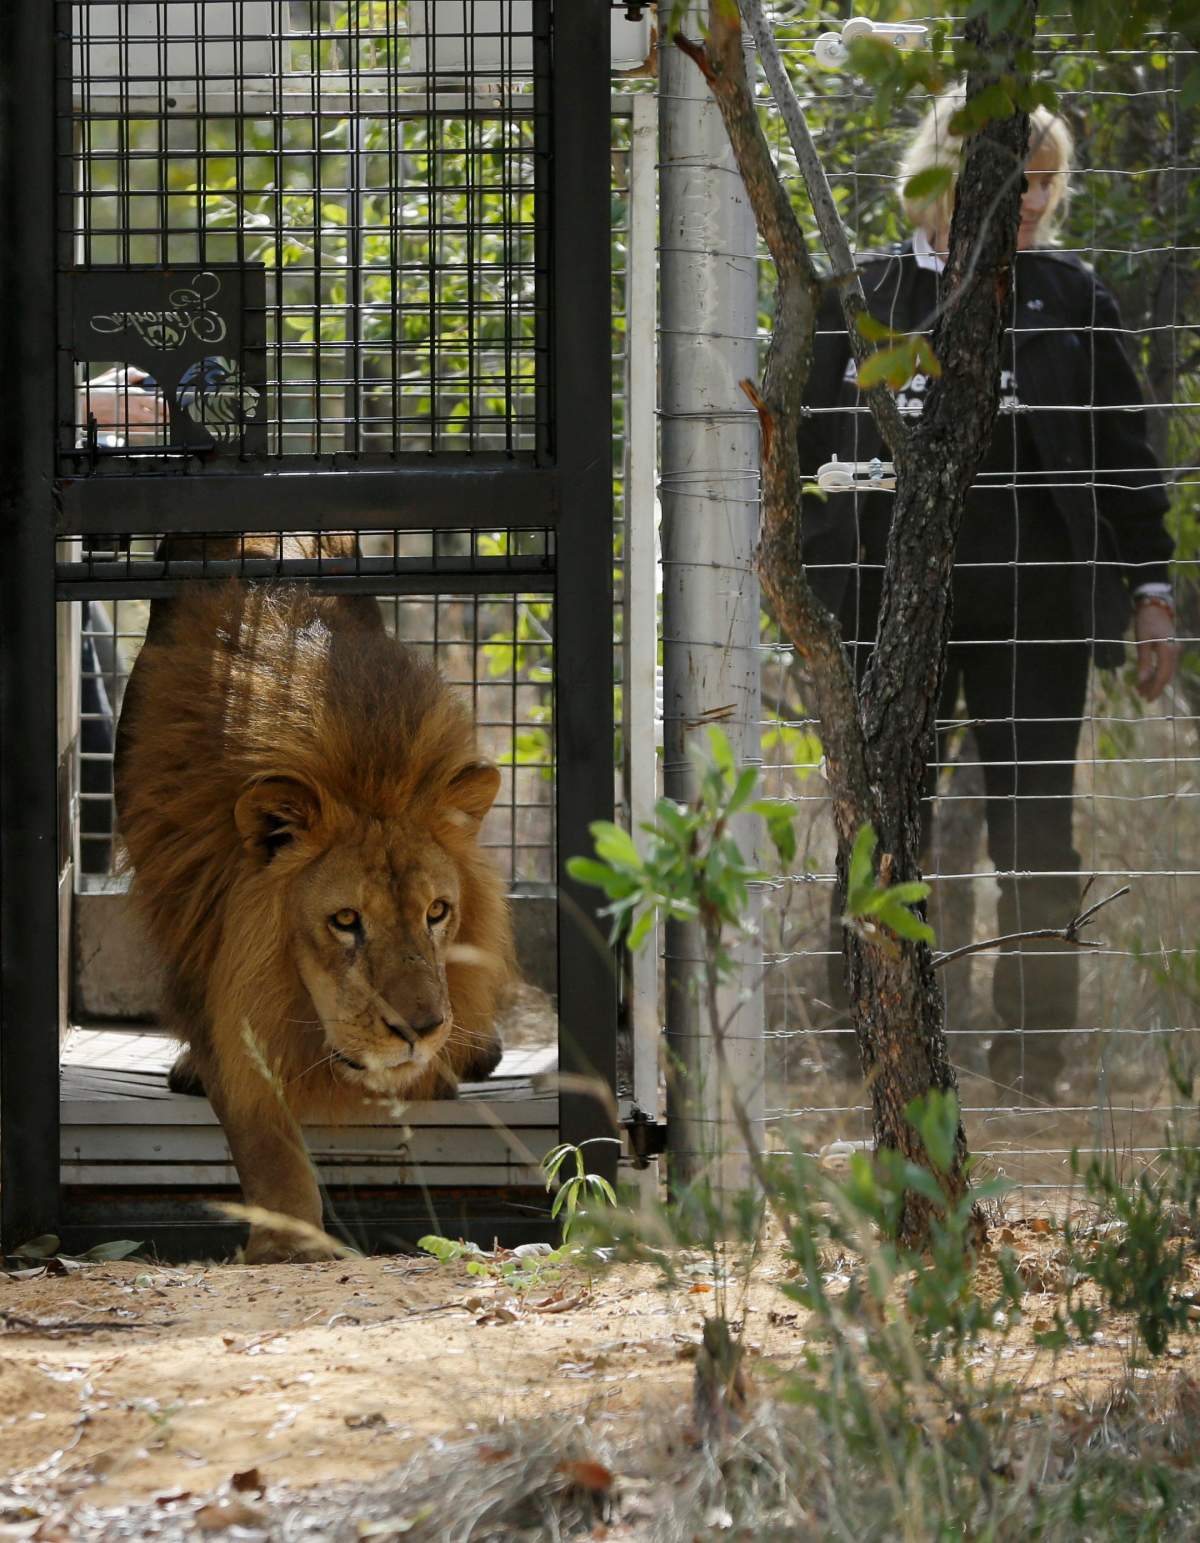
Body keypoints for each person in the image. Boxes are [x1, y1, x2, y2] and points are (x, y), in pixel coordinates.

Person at [799, 89, 1178, 1100]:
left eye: (1047, 181)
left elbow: (1123, 452)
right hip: (892, 609)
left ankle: (1031, 1061)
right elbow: (802, 453)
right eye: (1014, 180)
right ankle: (876, 1054)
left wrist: (1151, 589)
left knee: (1036, 834)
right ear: (941, 176)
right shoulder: (867, 292)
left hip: (1041, 608)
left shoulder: (1071, 294)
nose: (1035, 203)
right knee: (885, 827)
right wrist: (823, 589)